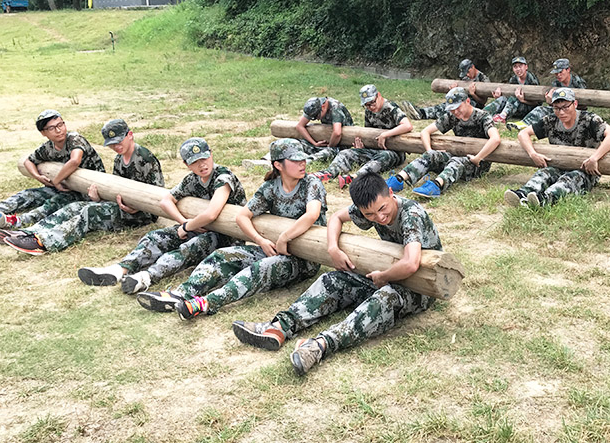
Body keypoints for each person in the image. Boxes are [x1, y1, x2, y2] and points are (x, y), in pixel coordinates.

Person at [231, 172, 441, 376]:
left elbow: (411, 263)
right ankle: (279, 327)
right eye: (369, 215)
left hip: (420, 288)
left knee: (384, 299)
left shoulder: (411, 214)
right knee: (331, 280)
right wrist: (333, 248)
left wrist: (383, 277)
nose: (379, 217)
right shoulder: (369, 208)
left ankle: (320, 345)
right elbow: (336, 218)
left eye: (382, 209)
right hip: (388, 272)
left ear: (390, 193)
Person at [136, 138, 325, 319]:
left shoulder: (311, 183)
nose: (302, 164)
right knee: (222, 256)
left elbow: (312, 214)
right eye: (295, 160)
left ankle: (207, 303)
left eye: (302, 159)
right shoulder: (270, 187)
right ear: (278, 165)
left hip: (304, 259)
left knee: (261, 268)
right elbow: (242, 216)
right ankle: (181, 293)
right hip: (273, 248)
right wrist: (260, 240)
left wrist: (284, 238)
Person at [77, 137, 246, 293]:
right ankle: (119, 270)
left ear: (211, 154)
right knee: (155, 237)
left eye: (204, 158)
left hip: (226, 235)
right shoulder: (192, 180)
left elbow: (211, 214)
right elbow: (166, 201)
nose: (202, 165)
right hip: (197, 227)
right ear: (186, 164)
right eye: (195, 162)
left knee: (191, 247)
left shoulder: (223, 177)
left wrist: (187, 227)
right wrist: (182, 222)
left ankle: (146, 277)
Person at [0, 119, 164, 255]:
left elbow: (157, 194)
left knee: (89, 212)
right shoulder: (119, 158)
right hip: (122, 206)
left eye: (119, 142)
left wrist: (136, 208)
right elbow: (117, 188)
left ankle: (44, 242)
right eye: (112, 144)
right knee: (75, 207)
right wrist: (99, 198)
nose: (116, 147)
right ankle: (30, 232)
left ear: (130, 135)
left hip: (143, 214)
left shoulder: (144, 157)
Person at [0, 110, 105, 230]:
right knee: (29, 194)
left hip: (87, 190)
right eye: (52, 128)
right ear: (43, 132)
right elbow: (28, 161)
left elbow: (74, 161)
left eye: (60, 124)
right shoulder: (48, 147)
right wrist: (38, 176)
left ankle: (18, 221)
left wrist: (56, 181)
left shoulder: (74, 139)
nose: (59, 130)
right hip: (64, 185)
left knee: (55, 202)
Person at [504, 88, 610, 208]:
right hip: (558, 165)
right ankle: (523, 193)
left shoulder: (590, 119)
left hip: (585, 170)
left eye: (565, 107)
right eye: (556, 108)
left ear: (575, 104)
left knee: (570, 179)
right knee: (544, 173)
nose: (561, 112)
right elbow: (523, 134)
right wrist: (532, 153)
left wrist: (594, 158)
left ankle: (545, 199)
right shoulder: (551, 120)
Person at [385, 87, 500, 198]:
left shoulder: (483, 116)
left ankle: (436, 186)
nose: (455, 111)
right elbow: (425, 132)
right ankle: (398, 179)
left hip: (478, 164)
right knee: (431, 155)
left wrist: (478, 158)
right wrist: (430, 150)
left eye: (458, 107)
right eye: (452, 109)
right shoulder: (452, 116)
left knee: (456, 161)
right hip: (457, 154)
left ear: (467, 101)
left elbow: (495, 139)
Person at [311, 85, 413, 188]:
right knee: (346, 153)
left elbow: (407, 125)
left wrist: (386, 134)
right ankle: (329, 173)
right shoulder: (368, 111)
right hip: (375, 149)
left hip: (394, 152)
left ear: (378, 95)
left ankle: (355, 177)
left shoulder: (390, 107)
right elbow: (368, 132)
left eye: (372, 103)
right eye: (366, 105)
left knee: (384, 156)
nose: (370, 107)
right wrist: (363, 147)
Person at [256, 97, 354, 168]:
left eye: (317, 116)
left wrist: (329, 146)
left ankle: (297, 163)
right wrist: (314, 143)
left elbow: (337, 133)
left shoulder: (335, 108)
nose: (317, 119)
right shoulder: (314, 107)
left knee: (327, 152)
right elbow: (300, 126)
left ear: (323, 106)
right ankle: (268, 159)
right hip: (324, 140)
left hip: (339, 145)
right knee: (296, 143)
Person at [508, 58, 587, 131]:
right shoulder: (555, 83)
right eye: (556, 73)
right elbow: (555, 104)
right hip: (561, 110)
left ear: (568, 70)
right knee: (540, 109)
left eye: (560, 72)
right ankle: (523, 124)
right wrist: (550, 102)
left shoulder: (578, 82)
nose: (558, 75)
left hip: (575, 111)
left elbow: (584, 104)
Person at [400, 59, 490, 120]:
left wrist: (473, 94)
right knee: (445, 105)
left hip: (473, 105)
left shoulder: (483, 79)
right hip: (462, 100)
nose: (467, 75)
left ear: (472, 67)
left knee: (450, 110)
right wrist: (454, 90)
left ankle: (423, 114)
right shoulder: (466, 78)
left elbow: (483, 102)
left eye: (468, 72)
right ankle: (422, 112)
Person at [482, 56, 540, 123]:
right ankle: (483, 113)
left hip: (528, 109)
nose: (518, 69)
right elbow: (508, 96)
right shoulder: (513, 79)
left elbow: (537, 103)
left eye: (520, 66)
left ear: (526, 67)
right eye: (515, 67)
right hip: (515, 108)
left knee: (514, 97)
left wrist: (523, 100)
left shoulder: (532, 79)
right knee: (503, 98)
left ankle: (502, 116)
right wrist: (498, 96)